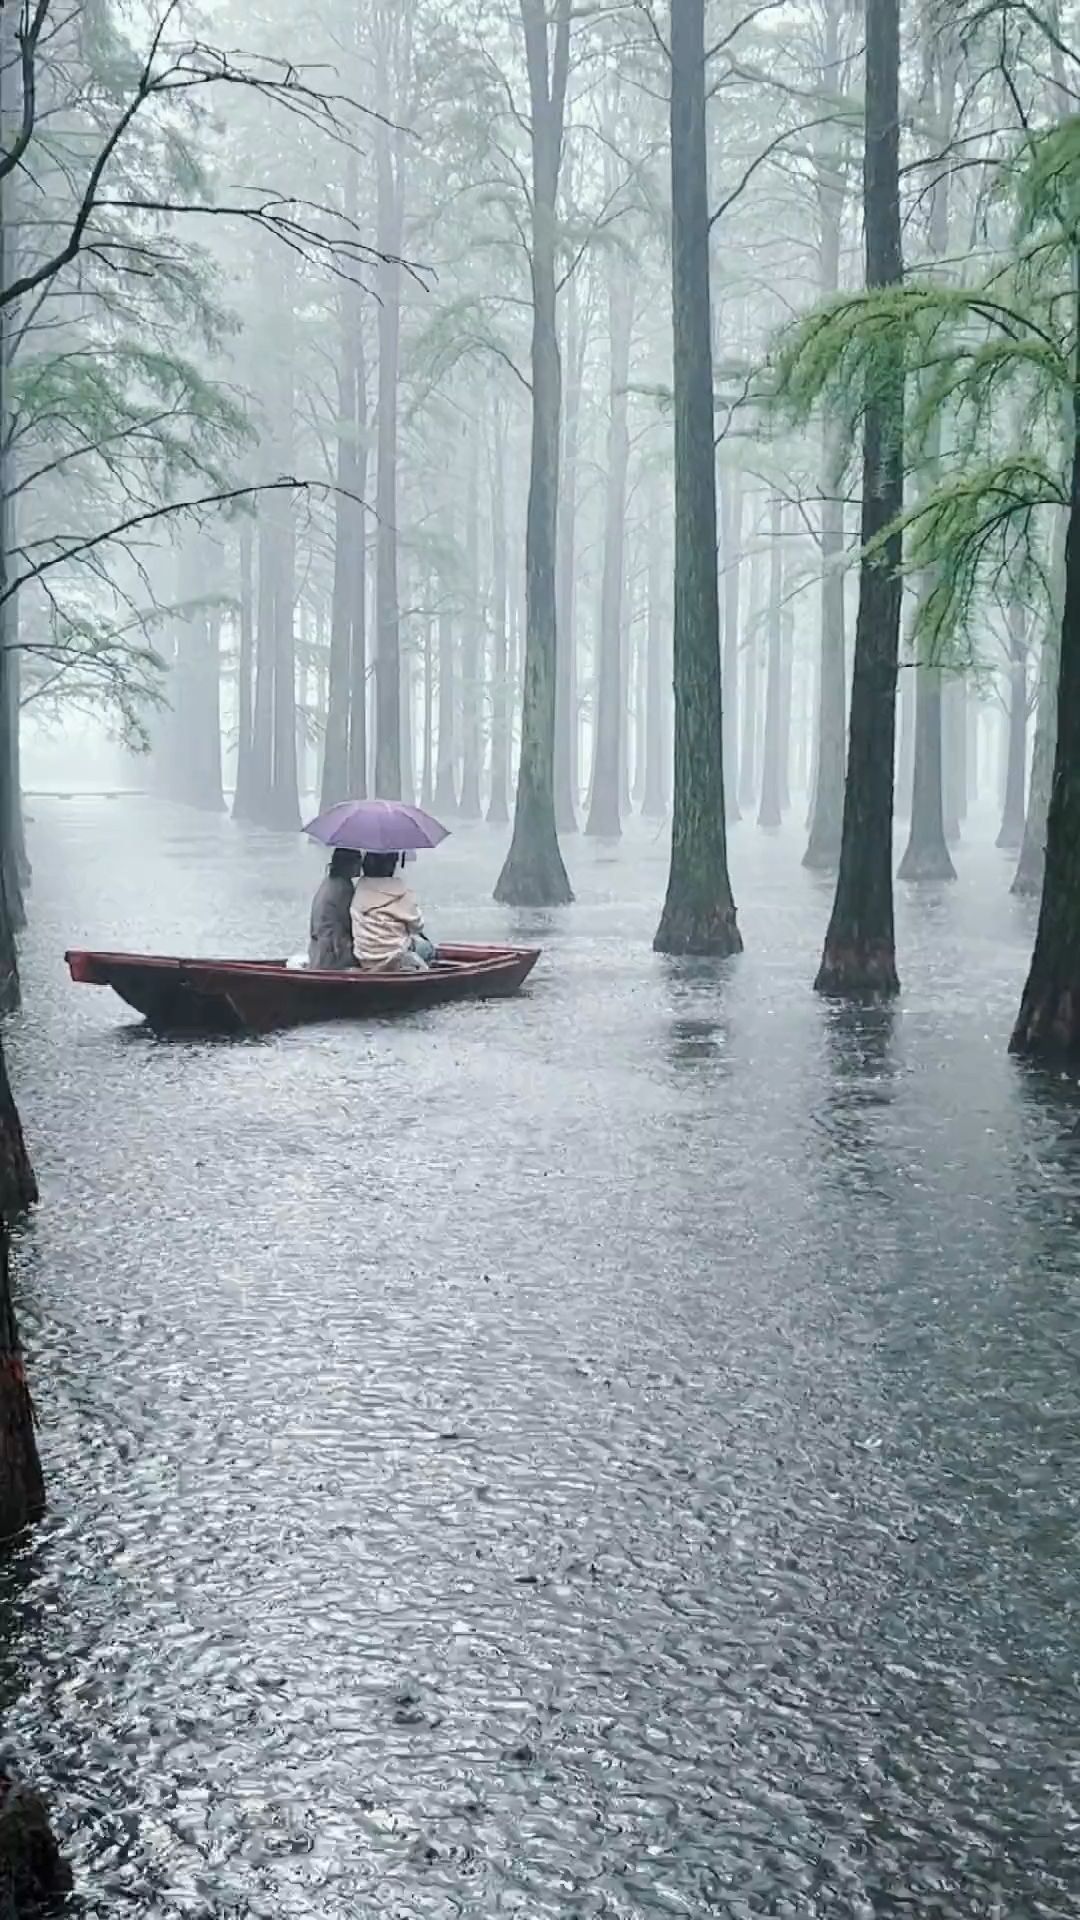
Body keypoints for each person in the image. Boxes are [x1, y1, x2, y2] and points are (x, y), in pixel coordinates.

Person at [351, 851, 436, 973]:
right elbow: (417, 926)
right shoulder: (401, 892)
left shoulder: (359, 889)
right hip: (396, 957)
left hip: (365, 959)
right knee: (427, 948)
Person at [307, 848, 364, 970]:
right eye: (358, 861)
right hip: (333, 952)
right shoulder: (343, 887)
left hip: (317, 950)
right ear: (348, 864)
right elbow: (352, 923)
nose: (361, 865)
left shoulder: (328, 882)